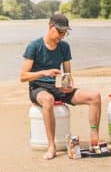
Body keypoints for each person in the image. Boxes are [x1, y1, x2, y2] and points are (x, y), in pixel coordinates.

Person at [20, 13, 103, 160]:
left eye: (65, 33)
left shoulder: (64, 47)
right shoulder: (34, 46)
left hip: (59, 87)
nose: (62, 36)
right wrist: (44, 72)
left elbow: (68, 74)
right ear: (50, 27)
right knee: (48, 100)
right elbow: (23, 76)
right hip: (38, 88)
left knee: (95, 97)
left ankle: (94, 138)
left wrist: (69, 86)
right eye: (60, 32)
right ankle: (51, 146)